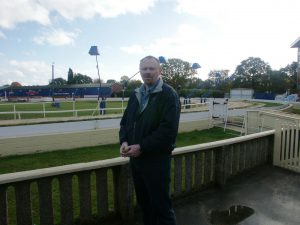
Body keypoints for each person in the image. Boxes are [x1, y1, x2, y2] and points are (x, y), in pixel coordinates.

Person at [119, 56, 180, 225]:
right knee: (145, 205)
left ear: (159, 71)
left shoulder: (168, 95)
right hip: (137, 162)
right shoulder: (136, 94)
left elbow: (168, 132)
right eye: (144, 68)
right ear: (140, 71)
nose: (147, 72)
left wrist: (142, 146)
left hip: (157, 162)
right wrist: (123, 141)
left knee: (161, 208)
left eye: (151, 68)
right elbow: (125, 122)